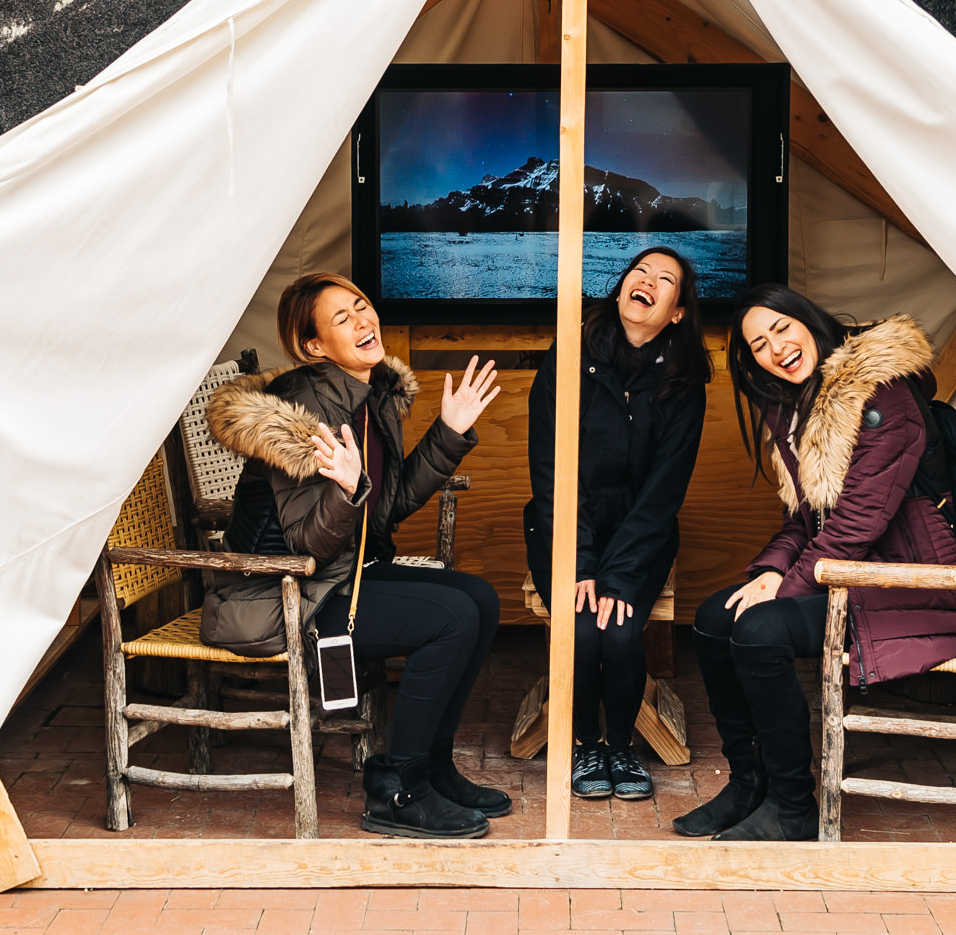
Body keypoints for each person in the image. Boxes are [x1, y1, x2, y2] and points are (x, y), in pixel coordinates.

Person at [203, 272, 508, 839]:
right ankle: (399, 789)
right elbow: (307, 545)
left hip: (341, 575)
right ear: (314, 346)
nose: (363, 321)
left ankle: (433, 768)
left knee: (480, 599)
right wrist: (346, 491)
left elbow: (385, 509)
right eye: (342, 319)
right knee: (452, 619)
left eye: (362, 307)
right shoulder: (301, 409)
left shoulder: (370, 395)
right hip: (281, 593)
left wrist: (448, 432)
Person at [676, 286, 956, 842]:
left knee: (761, 629)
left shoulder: (884, 395)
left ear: (810, 322)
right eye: (759, 344)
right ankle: (749, 783)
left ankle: (793, 806)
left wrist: (783, 589)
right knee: (714, 619)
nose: (777, 348)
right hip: (846, 572)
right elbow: (807, 519)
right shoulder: (800, 407)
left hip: (907, 580)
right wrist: (769, 571)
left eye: (782, 328)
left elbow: (860, 519)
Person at [526, 246, 709, 803]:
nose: (647, 282)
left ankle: (622, 745)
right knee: (582, 628)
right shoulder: (571, 352)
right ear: (622, 286)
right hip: (562, 525)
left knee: (622, 628)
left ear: (676, 311)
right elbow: (551, 469)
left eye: (665, 280)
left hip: (641, 535)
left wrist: (622, 575)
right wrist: (580, 562)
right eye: (639, 272)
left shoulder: (684, 380)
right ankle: (586, 744)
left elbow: (663, 493)